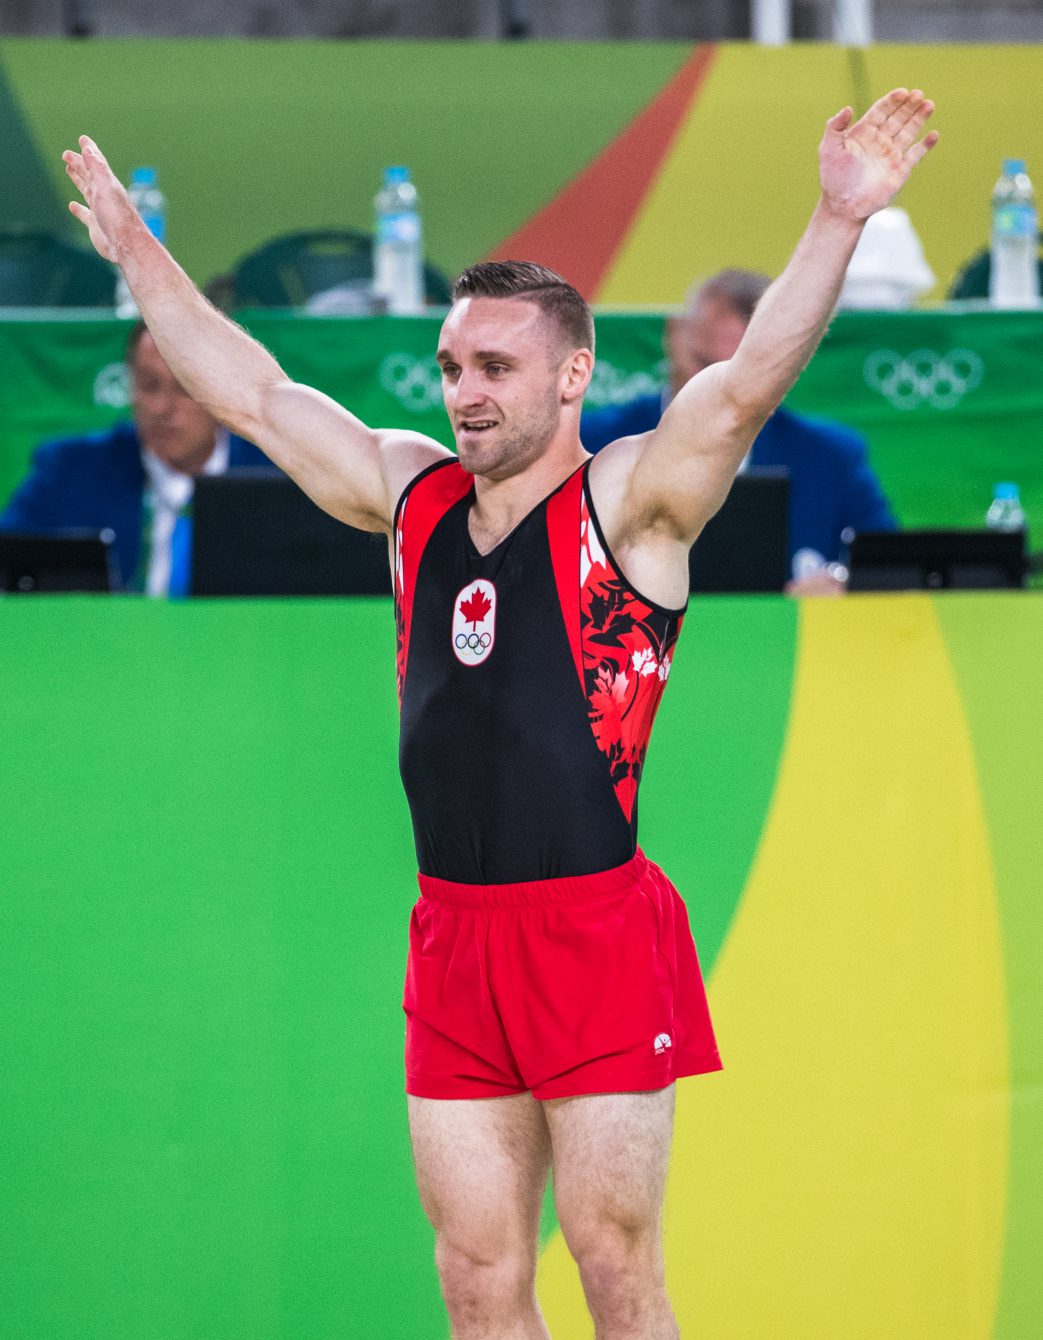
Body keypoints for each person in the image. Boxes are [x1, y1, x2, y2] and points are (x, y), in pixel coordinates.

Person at [63, 87, 937, 1338]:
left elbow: (741, 388)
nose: (464, 393)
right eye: (451, 368)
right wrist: (141, 261)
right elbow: (253, 395)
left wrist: (836, 220)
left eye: (495, 368)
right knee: (475, 1280)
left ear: (573, 372)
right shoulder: (411, 496)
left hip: (592, 932)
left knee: (611, 1261)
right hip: (454, 940)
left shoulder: (631, 504)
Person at [582, 267, 899, 596]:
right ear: (673, 336)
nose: (721, 392)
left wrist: (839, 581)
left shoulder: (831, 457)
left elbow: (887, 569)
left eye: (745, 375)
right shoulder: (594, 444)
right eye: (705, 366)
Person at [0, 322, 270, 594]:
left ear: (223, 392)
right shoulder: (69, 471)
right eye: (149, 385)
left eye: (184, 388)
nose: (162, 407)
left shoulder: (279, 480)